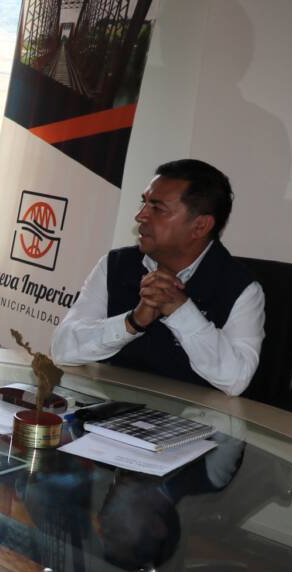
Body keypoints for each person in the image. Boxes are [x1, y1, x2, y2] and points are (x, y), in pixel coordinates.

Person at [50, 159, 265, 396]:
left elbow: (236, 379)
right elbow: (61, 349)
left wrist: (180, 311)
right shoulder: (115, 265)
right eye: (143, 203)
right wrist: (132, 322)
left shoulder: (241, 288)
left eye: (157, 208)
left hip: (193, 416)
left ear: (200, 226)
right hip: (108, 407)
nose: (140, 216)